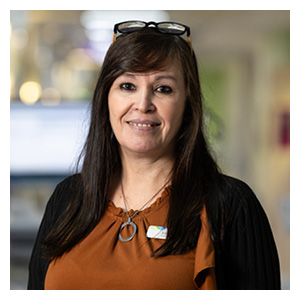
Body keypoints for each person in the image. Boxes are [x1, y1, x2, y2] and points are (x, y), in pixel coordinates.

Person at [27, 21, 280, 290]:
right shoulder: (68, 198)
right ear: (105, 98)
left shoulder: (231, 206)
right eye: (127, 86)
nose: (143, 104)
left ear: (188, 104)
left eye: (163, 89)